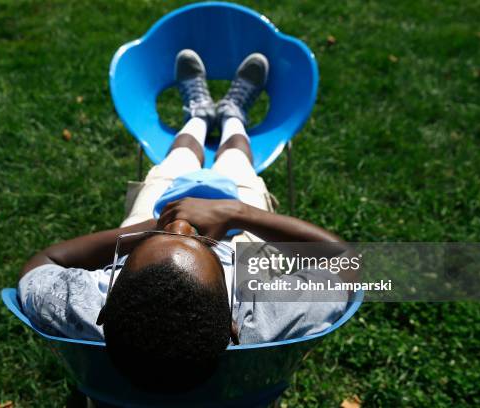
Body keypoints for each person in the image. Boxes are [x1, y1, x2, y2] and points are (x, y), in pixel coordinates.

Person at [18, 50, 355, 391]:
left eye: (155, 242)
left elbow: (41, 263)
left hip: (151, 221)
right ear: (233, 326)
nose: (183, 225)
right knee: (237, 166)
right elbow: (351, 263)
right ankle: (233, 118)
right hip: (239, 236)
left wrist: (149, 228)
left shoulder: (78, 308)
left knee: (174, 164)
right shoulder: (264, 318)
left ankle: (197, 117)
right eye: (203, 244)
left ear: (102, 311)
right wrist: (239, 212)